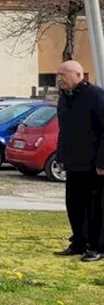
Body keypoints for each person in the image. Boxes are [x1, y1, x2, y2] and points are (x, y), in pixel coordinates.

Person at [53, 60, 104, 262]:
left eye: (63, 75)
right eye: (58, 75)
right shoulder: (65, 99)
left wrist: (102, 161)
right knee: (74, 205)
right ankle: (79, 242)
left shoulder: (95, 96)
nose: (59, 79)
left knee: (95, 207)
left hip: (95, 165)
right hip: (74, 163)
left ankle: (98, 246)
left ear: (77, 74)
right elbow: (64, 131)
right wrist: (60, 157)